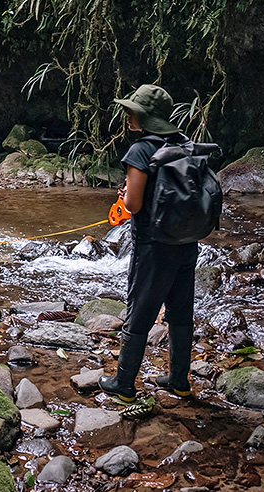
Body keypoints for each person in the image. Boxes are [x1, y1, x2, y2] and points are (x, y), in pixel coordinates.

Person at [98, 84, 197, 403]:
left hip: (153, 246)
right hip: (186, 240)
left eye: (132, 111)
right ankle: (180, 381)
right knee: (180, 311)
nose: (127, 115)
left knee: (139, 310)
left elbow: (135, 205)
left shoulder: (141, 151)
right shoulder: (185, 144)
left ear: (145, 117)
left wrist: (125, 195)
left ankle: (124, 385)